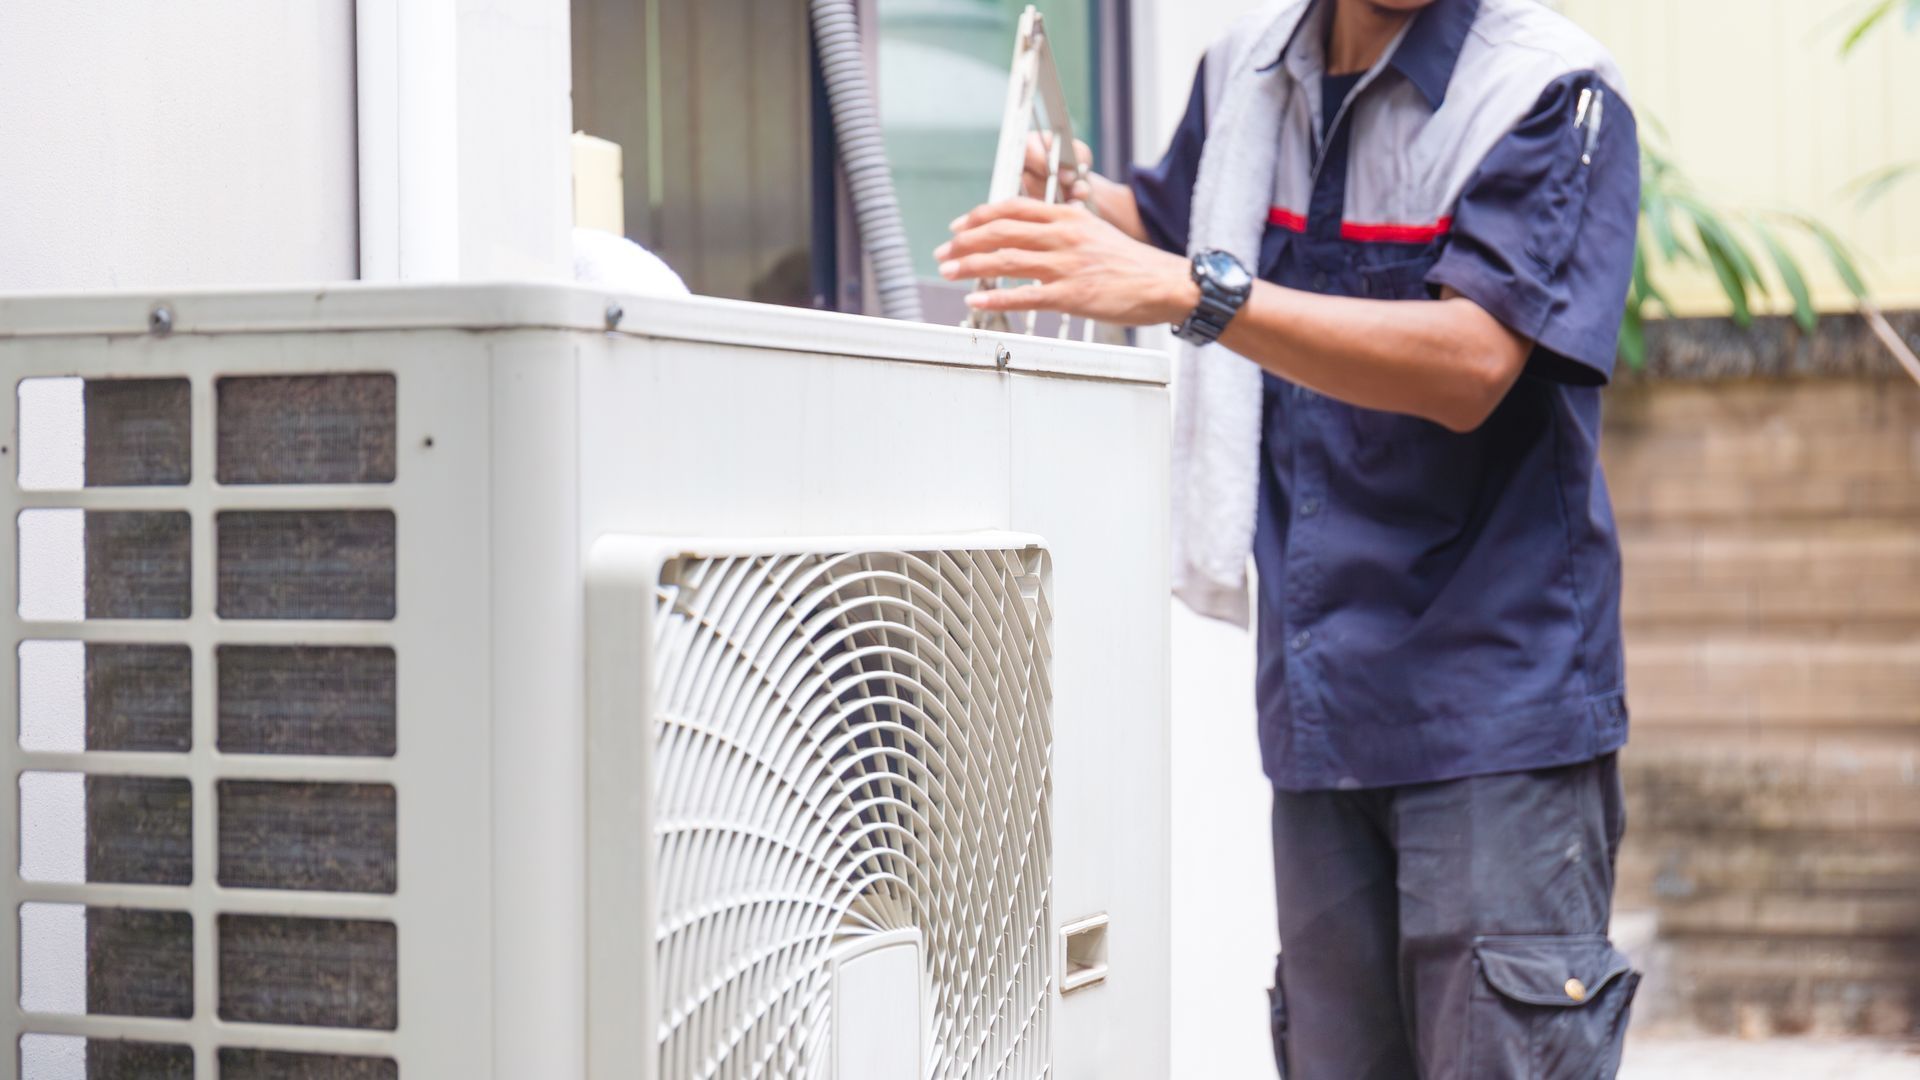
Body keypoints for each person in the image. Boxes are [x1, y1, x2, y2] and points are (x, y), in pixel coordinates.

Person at [937, 0, 1641, 1076]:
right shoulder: (1246, 75)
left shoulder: (1545, 87)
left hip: (1497, 710)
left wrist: (1191, 291)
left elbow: (1470, 364)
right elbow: (1191, 234)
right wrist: (1077, 207)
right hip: (1321, 707)